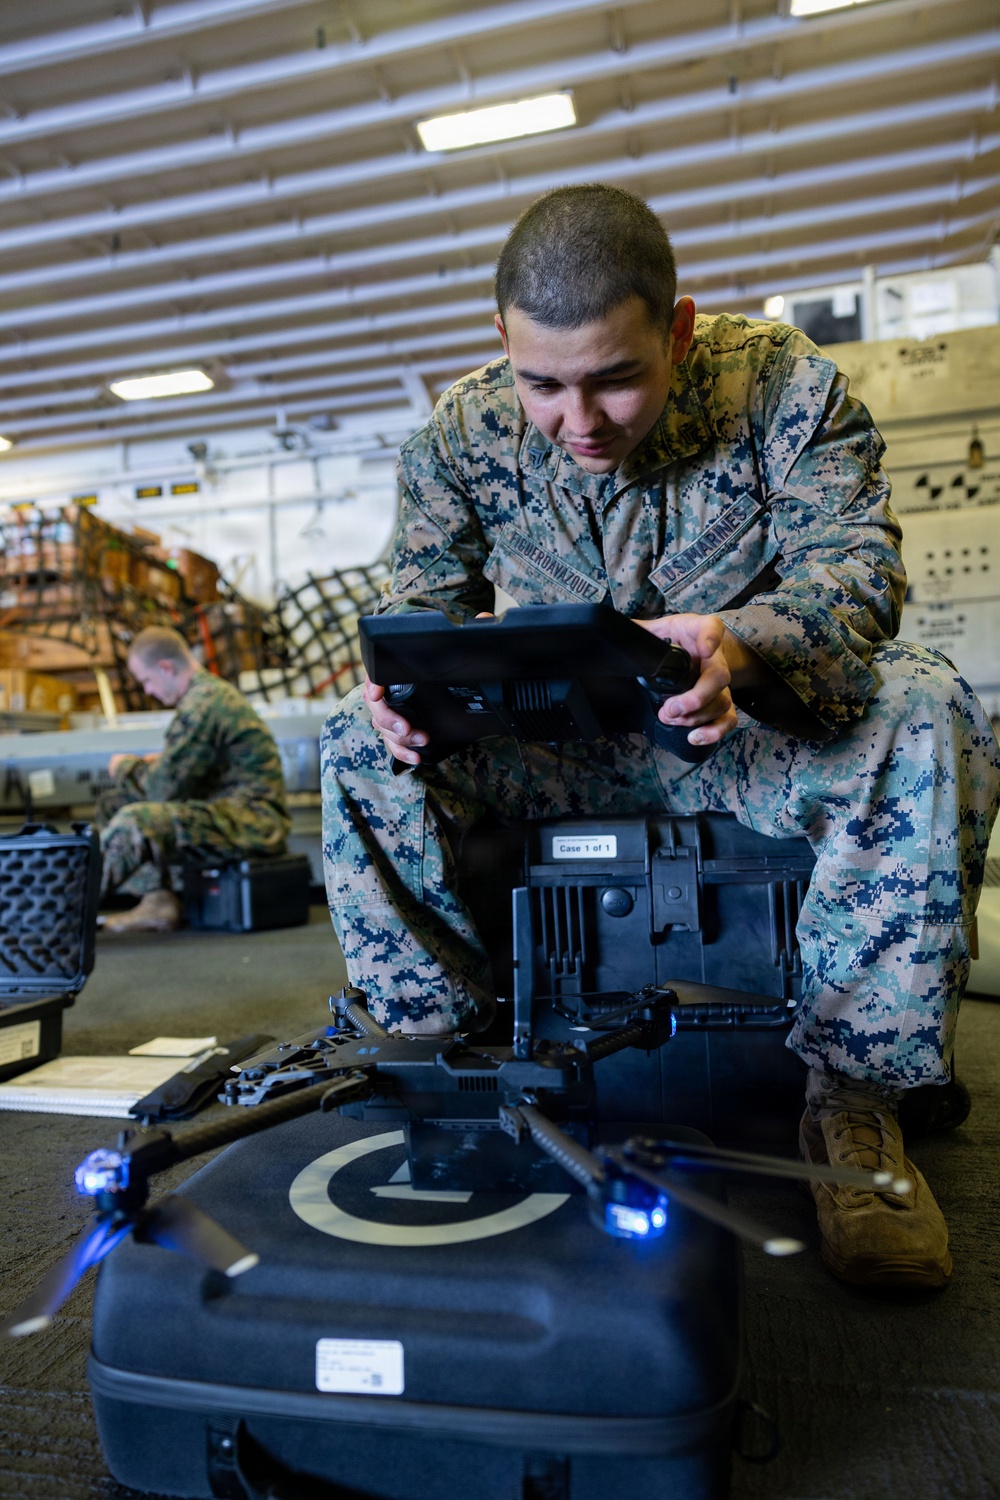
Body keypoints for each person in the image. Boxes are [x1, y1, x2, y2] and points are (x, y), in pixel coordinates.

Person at [321, 184, 1000, 1290]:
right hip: (561, 745)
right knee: (357, 733)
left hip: (741, 731)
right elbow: (420, 607)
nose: (578, 420)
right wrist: (406, 688)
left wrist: (741, 642)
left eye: (615, 378)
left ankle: (853, 1102)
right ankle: (441, 1061)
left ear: (677, 330)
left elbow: (857, 576)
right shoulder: (461, 428)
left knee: (924, 701)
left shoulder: (782, 385)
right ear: (503, 341)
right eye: (543, 384)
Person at [97, 626, 290, 933]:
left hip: (253, 822)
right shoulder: (209, 696)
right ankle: (156, 902)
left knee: (136, 820)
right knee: (114, 803)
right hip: (231, 813)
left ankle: (59, 910)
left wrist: (124, 767)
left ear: (166, 668)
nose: (148, 691)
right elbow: (179, 768)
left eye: (146, 680)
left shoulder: (204, 703)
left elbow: (161, 790)